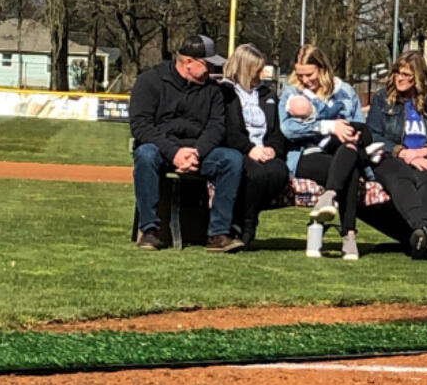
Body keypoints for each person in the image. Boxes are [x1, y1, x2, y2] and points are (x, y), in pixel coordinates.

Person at [130, 33, 244, 252]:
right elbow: (141, 126)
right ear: (188, 62)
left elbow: (216, 127)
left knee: (231, 159)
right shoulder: (150, 81)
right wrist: (174, 153)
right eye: (207, 64)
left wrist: (196, 153)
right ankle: (150, 231)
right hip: (161, 149)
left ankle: (218, 234)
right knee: (145, 155)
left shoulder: (214, 90)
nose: (212, 70)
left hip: (198, 151)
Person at [279, 44, 368, 260]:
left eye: (309, 74)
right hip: (306, 155)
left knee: (349, 153)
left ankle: (328, 196)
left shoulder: (345, 91)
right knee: (349, 170)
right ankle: (349, 235)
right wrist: (328, 126)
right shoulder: (292, 93)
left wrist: (352, 133)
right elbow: (287, 128)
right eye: (300, 75)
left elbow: (361, 125)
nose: (305, 80)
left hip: (342, 152)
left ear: (322, 68)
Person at [367, 50, 427, 259]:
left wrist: (426, 151)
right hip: (392, 157)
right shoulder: (382, 100)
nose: (400, 78)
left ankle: (422, 236)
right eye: (398, 73)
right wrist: (402, 152)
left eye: (407, 75)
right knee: (400, 178)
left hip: (426, 157)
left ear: (418, 77)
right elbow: (373, 134)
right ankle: (426, 233)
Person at [219, 44, 288, 247]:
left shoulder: (267, 94)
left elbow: (276, 130)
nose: (261, 73)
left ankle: (244, 219)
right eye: (257, 69)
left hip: (264, 149)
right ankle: (247, 225)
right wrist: (250, 149)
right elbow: (228, 130)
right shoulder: (224, 92)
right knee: (255, 174)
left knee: (278, 173)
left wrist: (272, 148)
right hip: (238, 149)